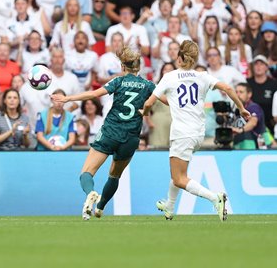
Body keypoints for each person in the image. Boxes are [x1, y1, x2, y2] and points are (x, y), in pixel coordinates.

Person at [141, 40, 251, 222]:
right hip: (198, 134)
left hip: (182, 133)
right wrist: (241, 108)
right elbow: (229, 88)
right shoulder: (203, 76)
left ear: (179, 58)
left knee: (178, 178)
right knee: (179, 172)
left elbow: (148, 103)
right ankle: (169, 205)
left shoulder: (169, 77)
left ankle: (215, 198)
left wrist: (143, 113)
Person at [52, 47, 155, 220]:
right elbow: (164, 99)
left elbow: (93, 94)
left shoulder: (118, 81)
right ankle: (100, 207)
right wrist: (147, 108)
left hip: (110, 132)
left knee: (86, 172)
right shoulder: (148, 85)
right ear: (139, 67)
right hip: (130, 137)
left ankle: (91, 193)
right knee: (115, 175)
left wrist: (68, 98)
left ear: (123, 67)